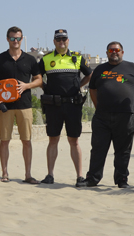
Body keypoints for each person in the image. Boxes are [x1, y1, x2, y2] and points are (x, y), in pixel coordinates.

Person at [83, 41, 134, 188]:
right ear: (107, 53)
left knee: (123, 150)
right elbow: (92, 89)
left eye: (117, 50)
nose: (114, 52)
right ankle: (92, 178)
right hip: (102, 117)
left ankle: (121, 179)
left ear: (122, 52)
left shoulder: (132, 67)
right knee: (98, 149)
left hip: (125, 116)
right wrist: (98, 106)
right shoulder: (100, 69)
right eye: (111, 50)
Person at [0, 26, 43, 184]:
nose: (15, 41)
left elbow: (39, 80)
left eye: (18, 38)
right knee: (4, 140)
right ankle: (5, 173)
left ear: (22, 39)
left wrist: (26, 86)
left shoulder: (30, 59)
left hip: (25, 105)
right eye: (12, 38)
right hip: (5, 106)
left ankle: (28, 175)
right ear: (7, 39)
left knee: (26, 140)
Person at [38, 29, 92, 186]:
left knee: (74, 141)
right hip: (53, 105)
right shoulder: (46, 59)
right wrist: (46, 88)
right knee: (53, 139)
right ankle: (50, 175)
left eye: (64, 39)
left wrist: (78, 86)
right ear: (54, 42)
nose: (61, 42)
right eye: (58, 39)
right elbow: (37, 76)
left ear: (68, 41)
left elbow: (89, 74)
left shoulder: (77, 58)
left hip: (73, 105)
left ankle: (80, 176)